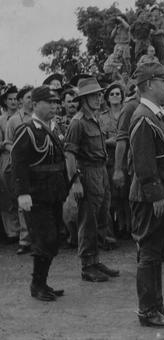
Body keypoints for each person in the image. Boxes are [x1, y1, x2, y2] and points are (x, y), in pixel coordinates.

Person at [128, 62, 164, 328]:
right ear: (149, 84)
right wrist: (156, 195)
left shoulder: (157, 114)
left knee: (155, 253)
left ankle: (156, 304)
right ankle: (147, 311)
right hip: (152, 198)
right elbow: (143, 163)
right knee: (149, 253)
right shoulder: (143, 116)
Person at [10, 86, 69, 301]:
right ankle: (37, 285)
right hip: (35, 194)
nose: (54, 106)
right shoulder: (27, 130)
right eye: (49, 102)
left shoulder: (51, 128)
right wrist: (22, 193)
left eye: (56, 102)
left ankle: (42, 282)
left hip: (53, 192)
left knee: (53, 239)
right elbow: (18, 164)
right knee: (45, 239)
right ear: (35, 105)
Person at [64, 77, 119, 282]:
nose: (98, 98)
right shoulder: (78, 122)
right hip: (87, 173)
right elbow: (69, 154)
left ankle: (95, 261)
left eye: (98, 95)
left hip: (100, 171)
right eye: (93, 96)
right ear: (84, 99)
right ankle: (87, 266)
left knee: (101, 217)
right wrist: (75, 181)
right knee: (88, 220)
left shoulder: (93, 119)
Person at [0, 84, 31, 254]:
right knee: (21, 200)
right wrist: (19, 154)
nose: (31, 101)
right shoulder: (13, 120)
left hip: (36, 164)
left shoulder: (37, 116)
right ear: (21, 101)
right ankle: (24, 239)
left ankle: (39, 237)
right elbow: (7, 142)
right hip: (18, 164)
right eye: (28, 98)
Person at [99, 82, 129, 242]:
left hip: (127, 158)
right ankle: (114, 231)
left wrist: (121, 140)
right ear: (107, 98)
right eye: (112, 94)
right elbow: (100, 139)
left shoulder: (128, 113)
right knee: (112, 196)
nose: (115, 96)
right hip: (110, 159)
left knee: (127, 195)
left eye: (118, 94)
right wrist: (110, 141)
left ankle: (128, 228)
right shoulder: (102, 117)